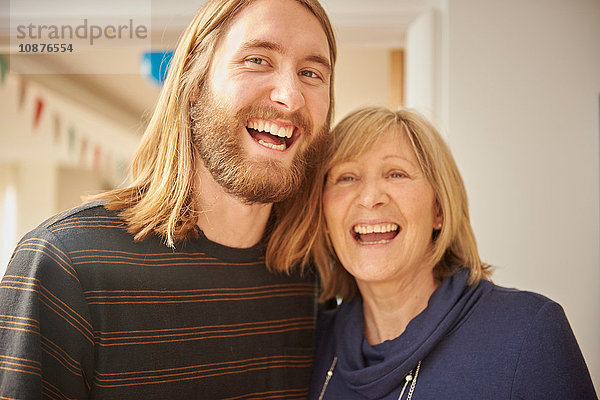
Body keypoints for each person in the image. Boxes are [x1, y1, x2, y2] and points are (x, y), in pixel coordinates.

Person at [0, 0, 336, 398]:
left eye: (311, 73)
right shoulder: (64, 263)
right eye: (258, 60)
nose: (291, 96)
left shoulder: (313, 276)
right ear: (193, 82)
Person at [300, 107, 597, 399]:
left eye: (396, 174)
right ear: (325, 217)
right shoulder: (312, 341)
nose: (369, 198)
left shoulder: (528, 331)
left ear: (439, 209)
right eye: (347, 177)